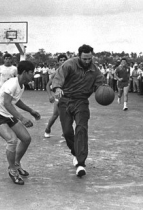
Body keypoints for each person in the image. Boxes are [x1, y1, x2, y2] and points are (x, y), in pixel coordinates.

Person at [52, 44, 104, 177]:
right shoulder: (69, 64)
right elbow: (58, 77)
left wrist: (104, 92)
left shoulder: (95, 70)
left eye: (89, 59)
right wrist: (57, 88)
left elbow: (101, 84)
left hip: (81, 101)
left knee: (81, 129)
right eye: (84, 59)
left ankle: (81, 164)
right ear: (79, 56)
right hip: (65, 100)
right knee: (67, 132)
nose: (87, 61)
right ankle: (76, 152)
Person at [0, 60, 40, 185]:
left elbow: (16, 101)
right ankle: (12, 170)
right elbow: (6, 103)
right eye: (32, 72)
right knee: (12, 140)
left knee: (26, 138)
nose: (33, 75)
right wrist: (22, 118)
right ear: (24, 72)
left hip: (8, 115)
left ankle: (16, 164)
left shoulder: (21, 85)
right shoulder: (12, 83)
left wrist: (31, 111)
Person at [44, 54, 67, 138]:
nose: (63, 61)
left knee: (68, 115)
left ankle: (65, 132)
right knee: (55, 115)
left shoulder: (71, 71)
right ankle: (48, 128)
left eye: (64, 60)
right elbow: (47, 85)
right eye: (61, 60)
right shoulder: (56, 73)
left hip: (68, 96)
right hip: (58, 96)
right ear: (58, 62)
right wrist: (50, 95)